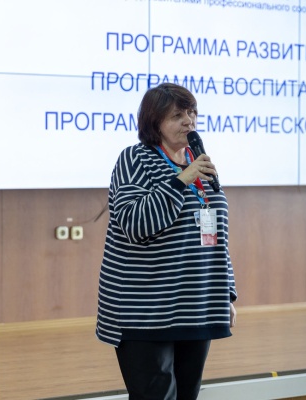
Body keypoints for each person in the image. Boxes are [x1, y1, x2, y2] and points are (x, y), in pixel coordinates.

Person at [96, 82, 238, 400]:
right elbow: (135, 224)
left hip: (197, 305)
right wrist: (180, 181)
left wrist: (226, 292)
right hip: (146, 309)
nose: (189, 121)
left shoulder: (198, 163)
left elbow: (217, 234)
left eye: (192, 112)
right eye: (177, 115)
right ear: (154, 121)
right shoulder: (135, 159)